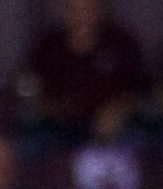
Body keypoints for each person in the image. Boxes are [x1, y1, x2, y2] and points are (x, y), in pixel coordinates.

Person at [19, 0, 152, 141]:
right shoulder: (48, 46)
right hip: (58, 127)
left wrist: (119, 110)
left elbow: (141, 89)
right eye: (75, 10)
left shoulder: (121, 43)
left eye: (88, 10)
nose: (82, 17)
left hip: (113, 128)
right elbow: (28, 86)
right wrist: (51, 106)